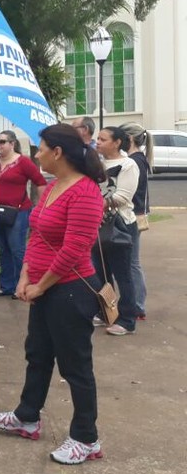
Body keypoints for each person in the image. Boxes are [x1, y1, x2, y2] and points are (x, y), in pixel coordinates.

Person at [0, 123, 107, 465]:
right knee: (37, 354)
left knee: (75, 366)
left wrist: (41, 285)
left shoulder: (85, 192)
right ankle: (27, 416)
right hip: (42, 287)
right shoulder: (53, 187)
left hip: (70, 291)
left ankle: (86, 438)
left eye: (40, 148)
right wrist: (25, 276)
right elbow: (37, 234)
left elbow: (74, 249)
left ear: (57, 152)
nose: (36, 154)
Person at [0, 130, 47, 297]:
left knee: (17, 249)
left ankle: (22, 285)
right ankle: (6, 286)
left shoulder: (23, 162)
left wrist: (41, 206)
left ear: (12, 144)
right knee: (3, 250)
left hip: (18, 212)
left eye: (2, 142)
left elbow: (40, 182)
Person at [95, 126, 140, 336]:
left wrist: (94, 202)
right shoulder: (97, 164)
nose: (98, 142)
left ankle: (128, 319)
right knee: (101, 272)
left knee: (123, 274)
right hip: (98, 224)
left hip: (120, 225)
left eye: (103, 139)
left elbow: (123, 197)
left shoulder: (128, 165)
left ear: (117, 143)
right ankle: (105, 312)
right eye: (98, 138)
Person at [120, 122, 151, 320]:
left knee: (132, 263)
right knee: (132, 262)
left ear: (129, 139)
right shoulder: (139, 159)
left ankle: (138, 305)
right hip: (137, 213)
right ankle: (137, 304)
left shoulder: (134, 161)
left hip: (133, 215)